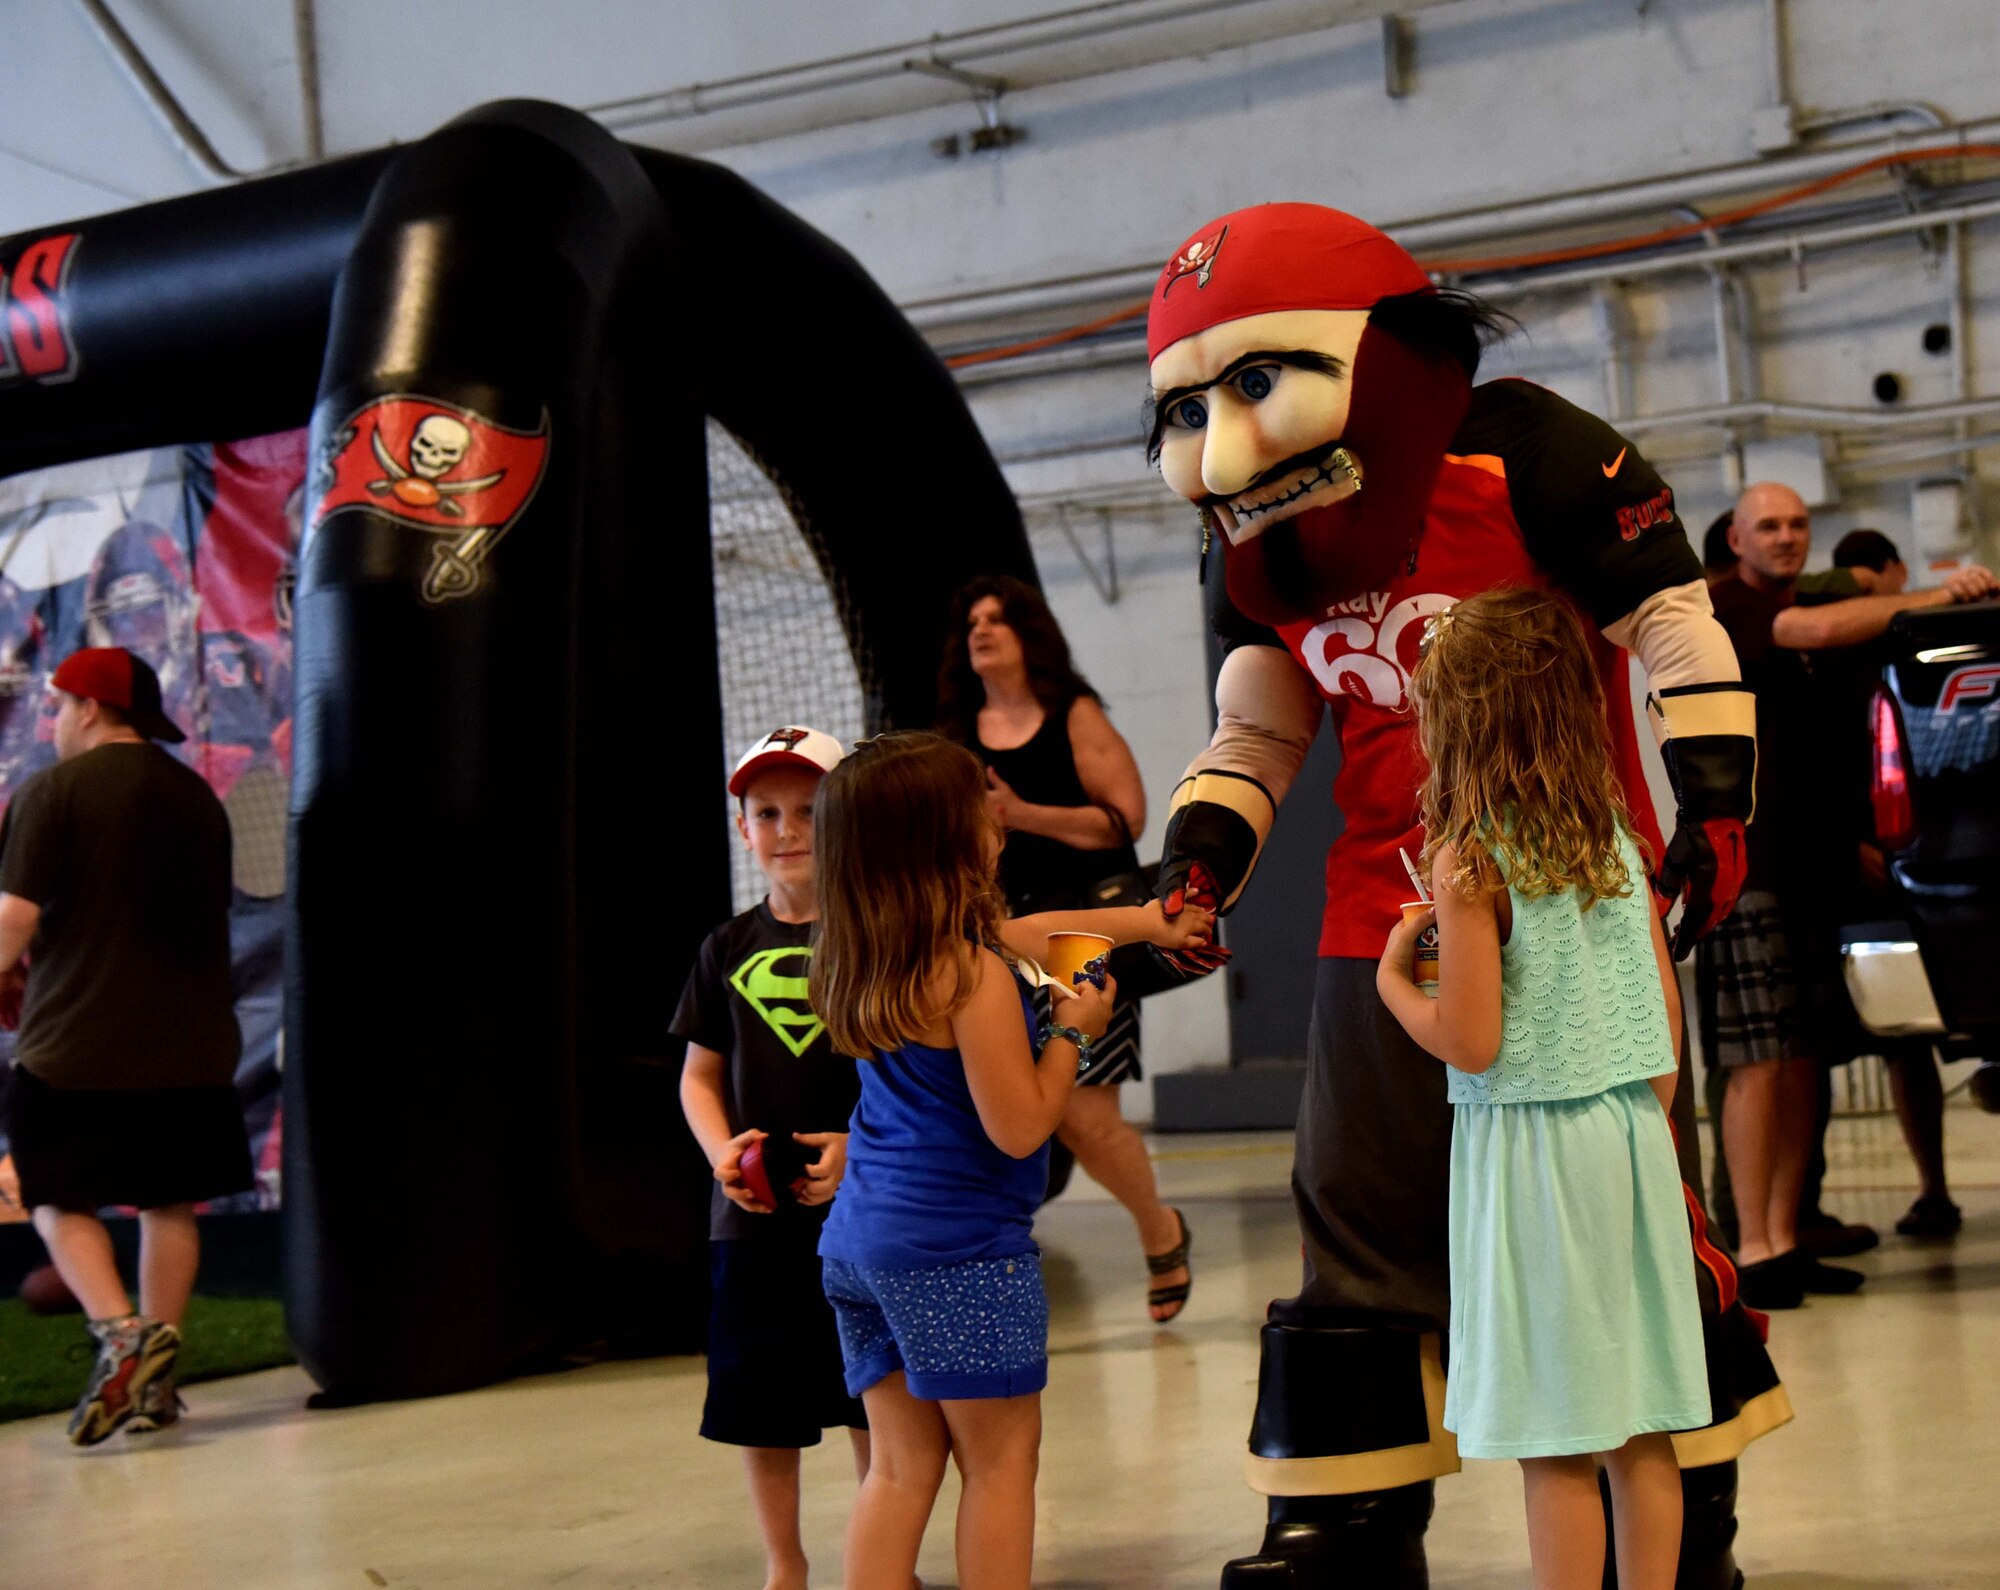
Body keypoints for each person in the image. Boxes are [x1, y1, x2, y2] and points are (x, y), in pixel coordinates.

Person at [1138, 201, 1781, 1585]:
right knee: (1355, 1217)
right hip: (1379, 899)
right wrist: (1195, 869)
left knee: (1636, 1224)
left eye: (1249, 383)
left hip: (1562, 883)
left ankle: (1687, 1517)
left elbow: (1672, 622)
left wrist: (1715, 801)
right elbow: (1256, 729)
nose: (1220, 440)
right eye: (1189, 406)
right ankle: (1345, 1518)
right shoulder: (1259, 536)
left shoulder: (1523, 451)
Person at [808, 732, 1213, 1590]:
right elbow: (1022, 1128)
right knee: (999, 1466)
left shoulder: (866, 953)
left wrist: (1150, 922)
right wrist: (1073, 1031)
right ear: (944, 841)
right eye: (978, 812)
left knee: (898, 1469)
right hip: (956, 1255)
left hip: (859, 1249)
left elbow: (1034, 932)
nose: (996, 822)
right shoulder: (971, 975)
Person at [1378, 589, 1708, 1590]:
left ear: (1456, 722)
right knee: (1640, 1420)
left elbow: (1471, 1042)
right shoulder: (1615, 841)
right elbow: (1661, 1019)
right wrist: (1636, 1128)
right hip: (1630, 1136)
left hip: (1532, 1158)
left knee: (1555, 1433)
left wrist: (1395, 984)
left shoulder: (1468, 858)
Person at [1699, 484, 1997, 1305]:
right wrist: (1942, 595)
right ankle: (1754, 1248)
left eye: (1797, 524)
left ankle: (1785, 1238)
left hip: (1813, 874)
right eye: (1769, 526)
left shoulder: (1803, 606)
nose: (1786, 536)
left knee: (1801, 1061)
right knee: (1759, 1062)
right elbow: (1822, 628)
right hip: (1749, 871)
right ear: (1737, 539)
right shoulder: (1730, 607)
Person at [0, 647, 245, 1445]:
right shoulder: (198, 798)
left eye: (58, 705)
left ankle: (121, 1334)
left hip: (76, 1046)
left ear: (91, 708)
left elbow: (13, 921)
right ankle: (153, 1387)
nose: (52, 720)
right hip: (194, 1046)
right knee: (169, 1204)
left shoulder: (55, 791)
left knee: (53, 1198)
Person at [938, 575, 1192, 1323]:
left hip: (1080, 932)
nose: (982, 631)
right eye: (972, 621)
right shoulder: (953, 734)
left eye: (998, 619)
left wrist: (1022, 814)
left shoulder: (1073, 713)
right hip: (989, 936)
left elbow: (1126, 820)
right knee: (1000, 1105)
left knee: (1084, 1113)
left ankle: (1159, 1230)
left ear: (1030, 636)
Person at [672, 725, 867, 1590]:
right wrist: (723, 1153)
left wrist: (860, 1150)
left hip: (862, 1213)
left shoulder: (876, 938)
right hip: (751, 1222)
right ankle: (784, 1562)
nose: (788, 830)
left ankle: (875, 1555)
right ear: (743, 827)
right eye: (768, 813)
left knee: (870, 1394)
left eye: (811, 811)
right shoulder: (724, 948)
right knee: (761, 1404)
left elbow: (910, 1074)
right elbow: (698, 1078)